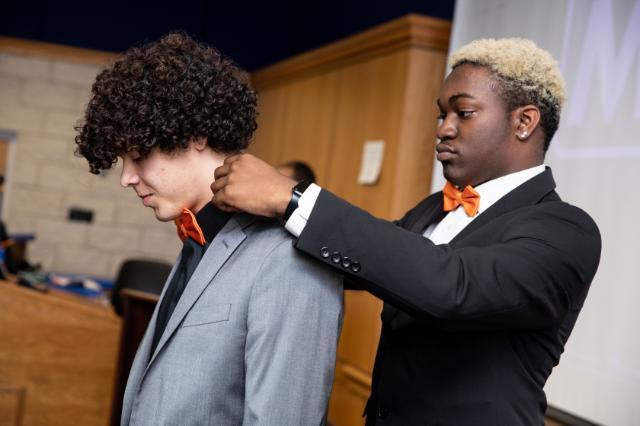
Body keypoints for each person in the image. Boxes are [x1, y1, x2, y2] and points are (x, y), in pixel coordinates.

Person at [210, 38, 602, 425]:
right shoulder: (433, 207)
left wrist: (294, 199)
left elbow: (452, 286)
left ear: (524, 122)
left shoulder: (566, 229)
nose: (443, 129)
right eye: (440, 115)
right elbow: (365, 260)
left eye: (462, 113)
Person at [75, 33, 343, 425]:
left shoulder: (287, 260)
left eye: (138, 156)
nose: (127, 179)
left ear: (196, 135)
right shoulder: (196, 237)